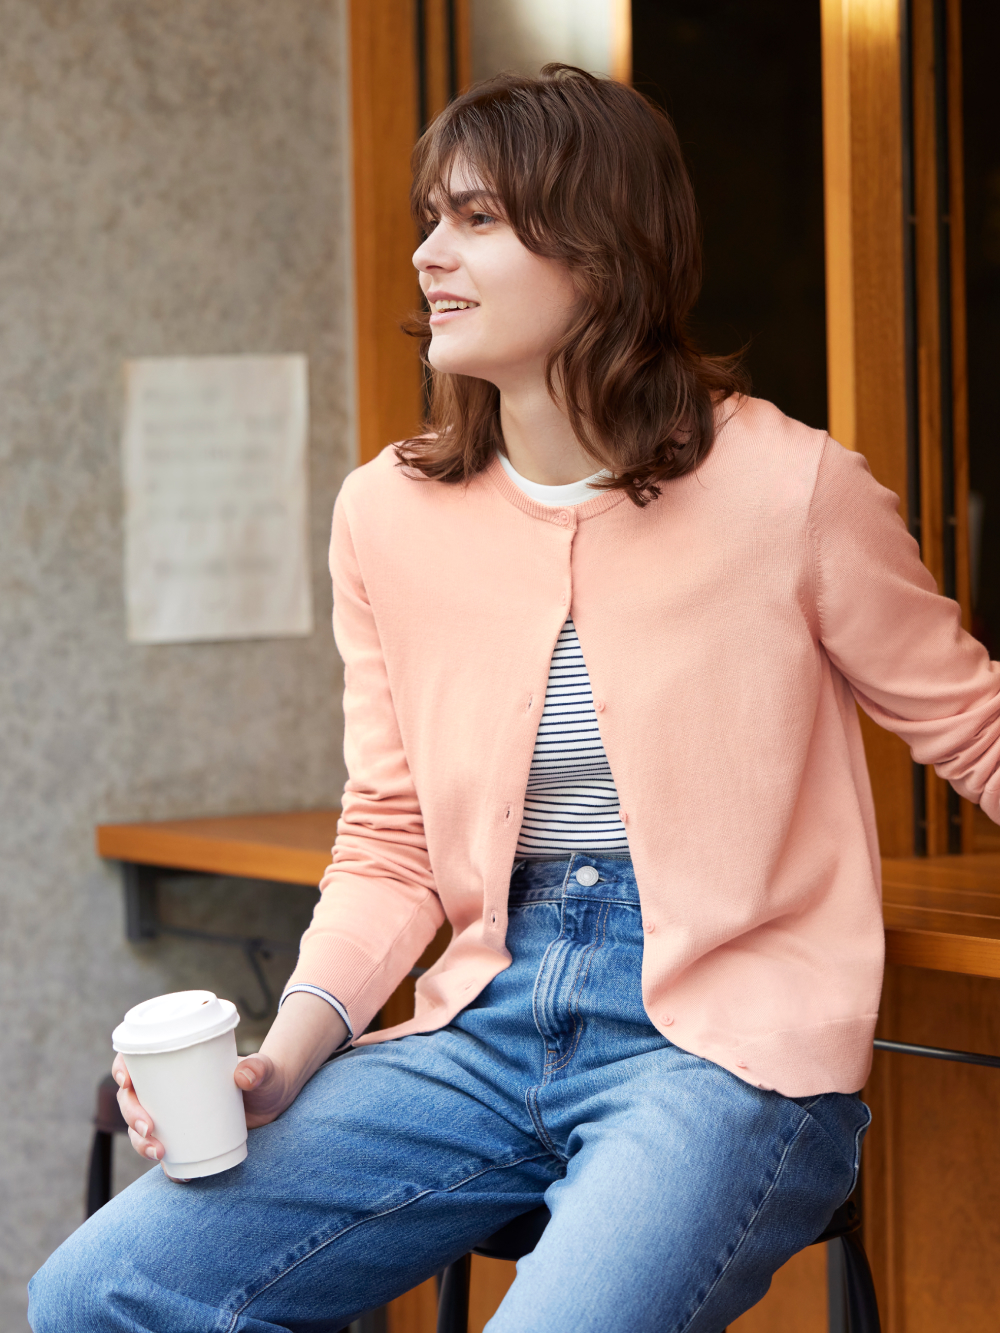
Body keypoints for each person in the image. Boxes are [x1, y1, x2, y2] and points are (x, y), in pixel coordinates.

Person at [29, 64, 1000, 1333]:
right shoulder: (388, 511)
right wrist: (285, 1058)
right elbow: (389, 839)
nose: (430, 255)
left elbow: (972, 728)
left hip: (723, 1056)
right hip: (480, 1021)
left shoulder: (793, 490)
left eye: (477, 220)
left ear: (603, 248)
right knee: (96, 1291)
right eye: (431, 217)